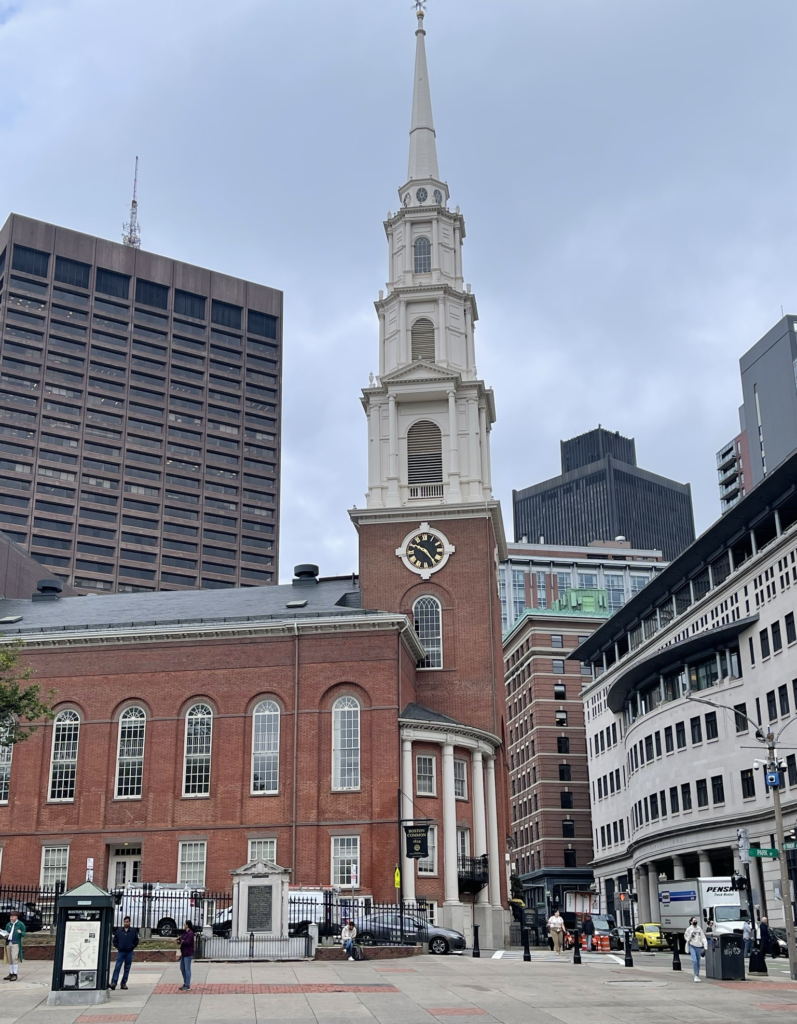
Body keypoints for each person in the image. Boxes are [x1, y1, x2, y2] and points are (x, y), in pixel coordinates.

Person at [110, 916, 139, 991]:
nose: (126, 923)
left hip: (129, 952)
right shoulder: (119, 930)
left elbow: (136, 941)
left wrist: (132, 947)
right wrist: (118, 946)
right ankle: (113, 982)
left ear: (130, 922)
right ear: (123, 922)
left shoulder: (133, 931)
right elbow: (115, 940)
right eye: (125, 921)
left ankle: (123, 983)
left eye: (127, 922)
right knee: (117, 967)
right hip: (121, 952)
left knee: (127, 968)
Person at [3, 910, 26, 982]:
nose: (11, 918)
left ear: (16, 917)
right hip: (8, 942)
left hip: (15, 943)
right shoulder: (8, 924)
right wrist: (4, 935)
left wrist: (20, 932)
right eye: (10, 916)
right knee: (10, 959)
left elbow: (24, 934)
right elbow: (6, 932)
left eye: (12, 916)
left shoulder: (20, 924)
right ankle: (11, 973)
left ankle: (15, 974)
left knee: (14, 958)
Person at [684, 916, 708, 982]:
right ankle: (695, 975)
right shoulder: (689, 929)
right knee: (694, 960)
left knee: (698, 961)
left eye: (696, 920)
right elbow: (686, 937)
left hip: (699, 946)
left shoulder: (699, 929)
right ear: (691, 922)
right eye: (694, 920)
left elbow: (703, 937)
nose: (695, 921)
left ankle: (697, 975)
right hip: (692, 946)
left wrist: (705, 946)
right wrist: (690, 937)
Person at [177, 920, 195, 992]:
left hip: (188, 953)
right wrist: (179, 940)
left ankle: (187, 984)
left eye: (185, 923)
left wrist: (182, 941)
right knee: (182, 968)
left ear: (187, 925)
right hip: (183, 953)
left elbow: (187, 942)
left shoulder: (190, 933)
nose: (184, 924)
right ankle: (185, 983)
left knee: (187, 969)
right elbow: (182, 938)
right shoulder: (185, 932)